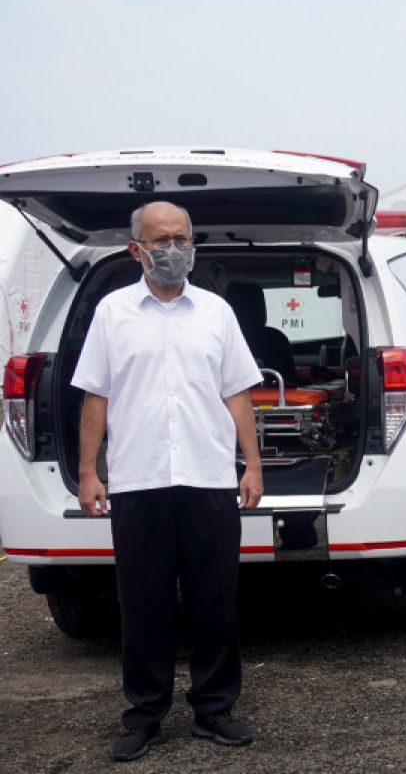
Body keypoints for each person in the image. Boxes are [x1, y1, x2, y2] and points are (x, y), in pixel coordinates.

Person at [72, 201, 264, 761]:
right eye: (161, 240)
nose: (173, 248)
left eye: (181, 237)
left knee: (215, 600)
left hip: (207, 478)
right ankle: (145, 714)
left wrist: (251, 464)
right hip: (139, 479)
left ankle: (214, 709)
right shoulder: (112, 313)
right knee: (143, 603)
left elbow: (238, 394)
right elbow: (95, 397)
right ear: (137, 248)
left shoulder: (215, 313)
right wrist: (88, 472)